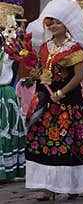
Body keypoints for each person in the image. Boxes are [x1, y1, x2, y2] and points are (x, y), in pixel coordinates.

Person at [24, 0, 83, 200]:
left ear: (67, 25)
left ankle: (73, 185)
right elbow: (42, 71)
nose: (54, 26)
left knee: (69, 146)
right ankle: (48, 187)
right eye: (51, 22)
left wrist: (61, 93)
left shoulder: (74, 49)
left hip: (68, 106)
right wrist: (35, 74)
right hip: (47, 106)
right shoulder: (45, 47)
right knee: (45, 145)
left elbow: (78, 76)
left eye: (58, 22)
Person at [0, 32, 25, 182]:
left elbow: (22, 52)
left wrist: (17, 33)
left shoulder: (7, 56)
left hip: (5, 94)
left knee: (5, 129)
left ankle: (6, 173)